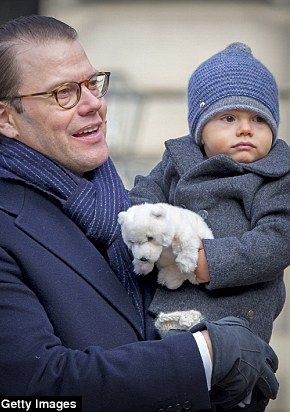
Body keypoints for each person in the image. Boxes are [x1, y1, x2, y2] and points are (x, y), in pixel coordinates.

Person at [0, 16, 278, 412]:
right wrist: (204, 355)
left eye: (92, 84)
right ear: (6, 118)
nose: (94, 104)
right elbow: (29, 391)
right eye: (63, 93)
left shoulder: (128, 205)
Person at [130, 43, 290, 407]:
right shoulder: (178, 159)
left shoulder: (276, 175)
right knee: (160, 386)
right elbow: (146, 192)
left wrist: (207, 261)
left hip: (237, 317)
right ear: (200, 130)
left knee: (229, 390)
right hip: (167, 312)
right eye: (229, 119)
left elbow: (278, 239)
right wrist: (143, 225)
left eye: (259, 119)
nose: (246, 129)